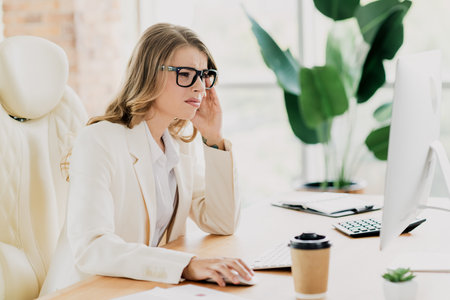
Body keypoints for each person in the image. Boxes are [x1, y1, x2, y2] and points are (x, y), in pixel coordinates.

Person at [40, 23, 253, 295]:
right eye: (186, 74)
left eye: (204, 75)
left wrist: (213, 138)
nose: (200, 86)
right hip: (86, 290)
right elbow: (92, 247)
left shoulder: (178, 143)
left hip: (139, 288)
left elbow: (221, 223)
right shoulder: (99, 140)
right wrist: (187, 265)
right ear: (149, 75)